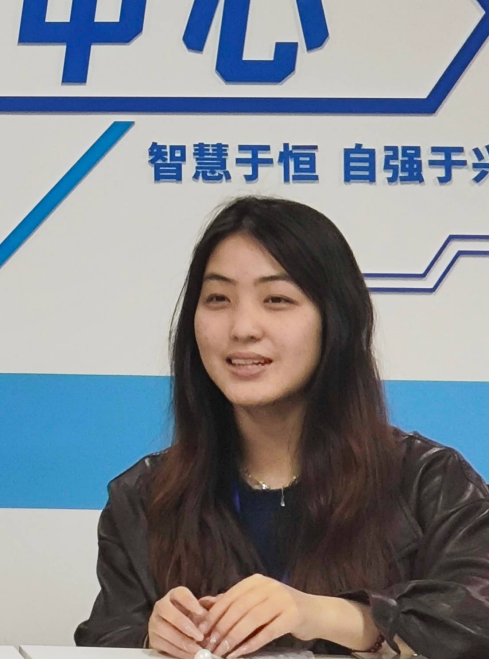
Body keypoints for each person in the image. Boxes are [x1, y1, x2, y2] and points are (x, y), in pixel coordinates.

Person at [78, 195, 489, 658]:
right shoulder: (144, 499)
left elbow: (476, 620)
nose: (243, 327)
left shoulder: (429, 482)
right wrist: (148, 640)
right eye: (218, 299)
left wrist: (331, 616)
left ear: (336, 321)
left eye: (277, 300)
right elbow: (103, 638)